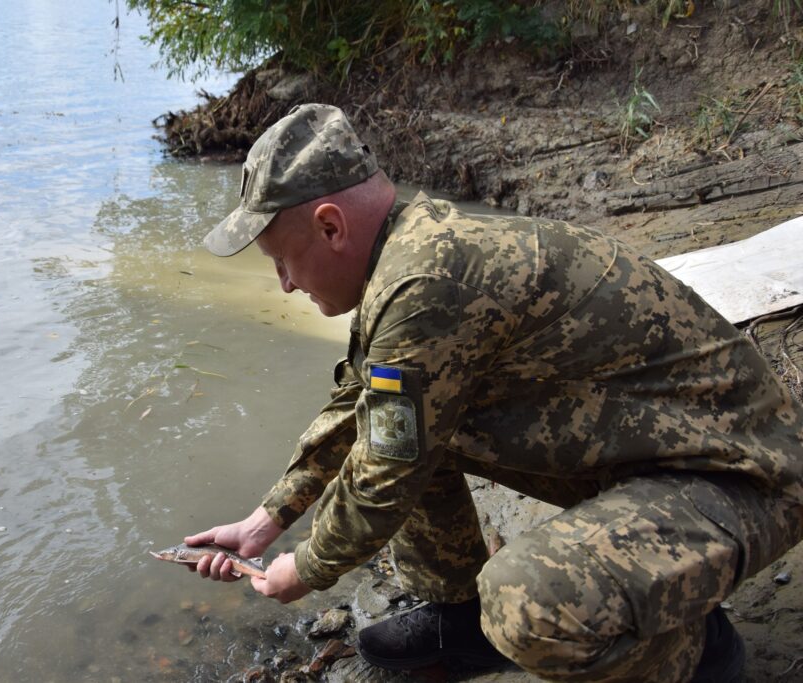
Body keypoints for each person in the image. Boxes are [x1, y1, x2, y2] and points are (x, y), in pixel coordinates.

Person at [185, 103, 803, 682]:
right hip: (666, 455)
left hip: (747, 477)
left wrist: (306, 568)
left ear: (329, 226)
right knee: (410, 422)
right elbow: (359, 406)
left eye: (282, 261)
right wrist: (266, 521)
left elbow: (385, 469)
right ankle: (461, 617)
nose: (285, 285)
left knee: (527, 601)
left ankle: (698, 655)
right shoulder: (409, 252)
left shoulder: (425, 283)